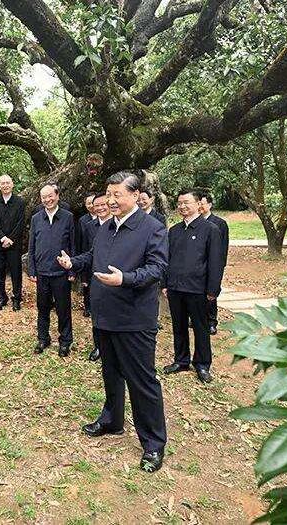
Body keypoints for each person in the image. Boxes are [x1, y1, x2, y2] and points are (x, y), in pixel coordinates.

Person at [57, 172, 168, 472]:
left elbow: (157, 268)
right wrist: (73, 262)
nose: (111, 200)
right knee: (111, 373)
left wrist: (125, 279)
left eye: (117, 194)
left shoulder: (152, 228)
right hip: (104, 316)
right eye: (109, 194)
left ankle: (153, 443)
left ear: (135, 195)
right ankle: (112, 420)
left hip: (134, 320)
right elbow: (94, 256)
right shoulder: (107, 227)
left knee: (142, 381)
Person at [161, 189, 223, 383]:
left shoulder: (210, 229)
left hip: (198, 289)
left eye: (186, 202)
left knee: (200, 328)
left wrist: (213, 290)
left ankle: (202, 364)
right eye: (179, 203)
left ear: (198, 204)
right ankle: (181, 360)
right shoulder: (174, 231)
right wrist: (165, 283)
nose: (182, 206)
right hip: (175, 287)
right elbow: (167, 259)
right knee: (178, 326)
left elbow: (216, 262)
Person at [28, 184, 75, 357]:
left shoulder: (68, 217)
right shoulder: (36, 219)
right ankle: (43, 338)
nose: (47, 200)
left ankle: (65, 341)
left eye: (50, 196)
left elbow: (73, 245)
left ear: (57, 196)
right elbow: (32, 246)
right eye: (44, 197)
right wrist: (32, 269)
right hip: (42, 272)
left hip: (61, 272)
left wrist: (72, 270)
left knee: (63, 309)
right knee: (42, 308)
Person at [80, 192, 112, 362]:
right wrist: (84, 277)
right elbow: (86, 252)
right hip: (95, 276)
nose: (99, 208)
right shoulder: (89, 226)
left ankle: (113, 347)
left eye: (102, 205)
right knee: (97, 314)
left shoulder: (118, 224)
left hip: (116, 277)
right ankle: (98, 346)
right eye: (96, 205)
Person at [0, 175, 26, 312]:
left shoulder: (20, 202)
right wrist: (3, 238)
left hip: (14, 244)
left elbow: (21, 222)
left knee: (16, 272)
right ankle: (2, 298)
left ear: (12, 184)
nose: (5, 185)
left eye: (7, 183)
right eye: (2, 183)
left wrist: (10, 239)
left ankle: (16, 298)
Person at [197, 189, 229, 335]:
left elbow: (223, 247)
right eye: (198, 203)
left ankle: (211, 321)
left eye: (202, 204)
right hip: (197, 265)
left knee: (211, 293)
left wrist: (220, 266)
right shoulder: (195, 222)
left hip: (213, 265)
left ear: (209, 205)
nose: (200, 206)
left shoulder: (220, 223)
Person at [77, 193, 97, 317]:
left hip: (100, 255)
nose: (90, 205)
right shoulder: (82, 220)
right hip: (86, 253)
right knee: (86, 283)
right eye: (88, 203)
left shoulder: (106, 217)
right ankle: (87, 307)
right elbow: (79, 240)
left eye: (92, 203)